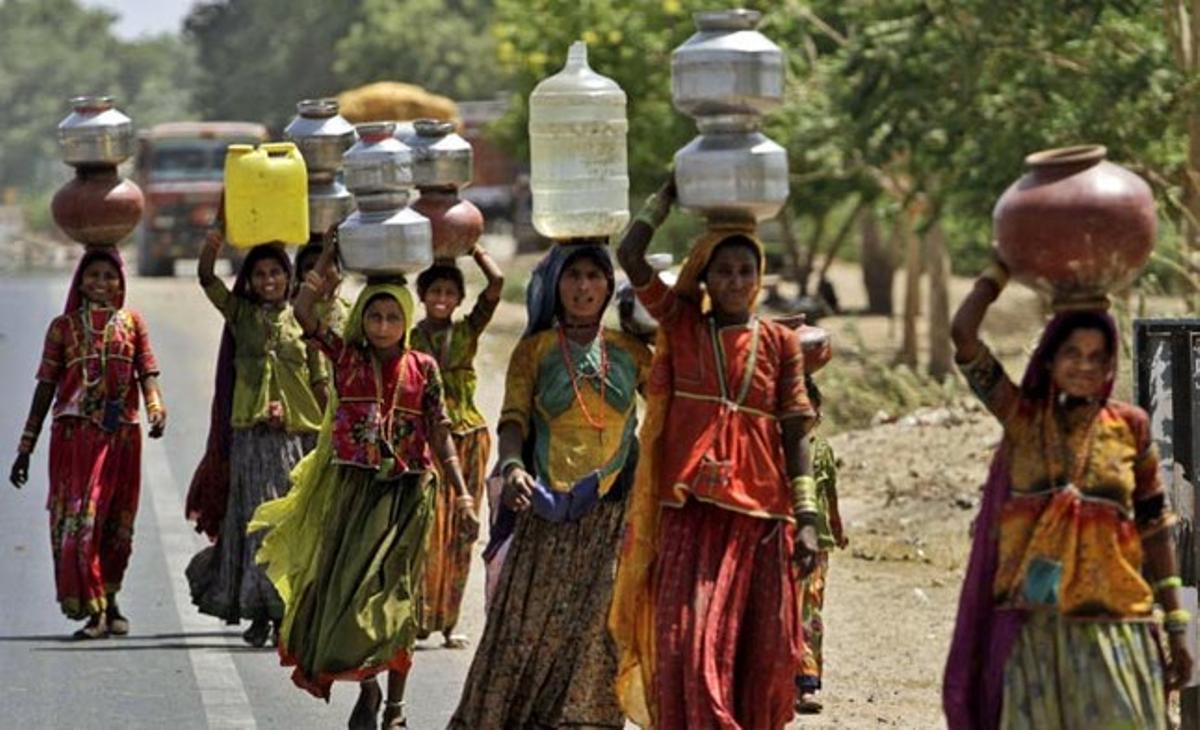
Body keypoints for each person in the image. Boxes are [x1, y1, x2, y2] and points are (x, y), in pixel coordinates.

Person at [944, 261, 1194, 729]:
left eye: (1097, 357)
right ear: (1050, 360)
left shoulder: (1130, 427)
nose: (1084, 366)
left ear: (1110, 364)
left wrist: (1177, 627)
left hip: (1119, 624)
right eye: (1072, 353)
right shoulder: (1021, 417)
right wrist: (1000, 269)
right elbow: (963, 334)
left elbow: (1155, 527)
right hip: (1038, 630)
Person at [611, 179, 820, 729]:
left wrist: (808, 518)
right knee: (687, 643)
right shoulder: (681, 325)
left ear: (759, 278)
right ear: (704, 275)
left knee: (761, 652)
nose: (734, 281)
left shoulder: (780, 342)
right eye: (723, 270)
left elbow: (797, 429)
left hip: (761, 517)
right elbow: (629, 254)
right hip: (691, 510)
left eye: (745, 271)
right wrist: (665, 197)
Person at [250, 244, 478, 730]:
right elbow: (304, 313)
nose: (381, 326)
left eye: (393, 317)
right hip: (353, 494)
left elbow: (439, 431)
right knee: (349, 602)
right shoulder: (346, 357)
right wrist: (328, 262)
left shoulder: (424, 368)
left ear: (406, 320)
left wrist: (461, 492)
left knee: (397, 605)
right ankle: (369, 688)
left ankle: (396, 708)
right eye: (374, 315)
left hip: (406, 496)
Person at [449, 242, 652, 729]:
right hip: (546, 507)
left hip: (612, 510)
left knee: (598, 625)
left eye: (593, 277)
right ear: (555, 286)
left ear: (608, 287)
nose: (583, 287)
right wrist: (514, 466)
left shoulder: (632, 353)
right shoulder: (535, 352)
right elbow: (513, 419)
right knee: (528, 625)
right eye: (572, 276)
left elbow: (672, 408)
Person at [9, 248, 167, 638]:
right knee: (82, 521)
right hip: (75, 437)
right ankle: (93, 610)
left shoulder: (132, 323)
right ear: (80, 281)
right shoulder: (62, 328)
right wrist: (25, 447)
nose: (101, 283)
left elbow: (146, 371)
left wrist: (155, 407)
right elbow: (46, 387)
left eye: (109, 276)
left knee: (117, 522)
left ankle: (110, 601)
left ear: (121, 283)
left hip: (121, 438)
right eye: (93, 275)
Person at [185, 230, 327, 647]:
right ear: (248, 280)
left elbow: (319, 379)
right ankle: (259, 609)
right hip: (251, 438)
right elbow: (207, 279)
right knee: (255, 524)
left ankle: (284, 609)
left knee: (287, 525)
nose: (268, 282)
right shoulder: (240, 315)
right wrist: (213, 241)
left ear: (289, 278)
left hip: (296, 440)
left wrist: (328, 432)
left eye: (276, 274)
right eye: (260, 274)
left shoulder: (304, 318)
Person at [410, 245, 504, 648]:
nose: (442, 300)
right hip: (430, 440)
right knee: (428, 528)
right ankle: (417, 617)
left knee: (462, 531)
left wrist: (474, 250)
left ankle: (449, 621)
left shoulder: (468, 330)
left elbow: (497, 283)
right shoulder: (412, 335)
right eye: (435, 293)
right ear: (423, 296)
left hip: (470, 436)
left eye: (449, 293)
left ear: (459, 299)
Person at [794, 366, 848, 715]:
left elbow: (830, 494)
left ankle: (806, 684)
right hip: (782, 538)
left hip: (819, 543)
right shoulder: (774, 446)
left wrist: (837, 528)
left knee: (810, 610)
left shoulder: (823, 451)